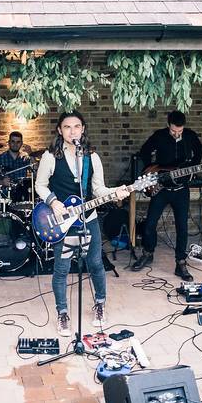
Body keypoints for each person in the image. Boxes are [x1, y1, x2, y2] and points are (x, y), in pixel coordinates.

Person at [35, 112, 130, 337]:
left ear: (83, 129)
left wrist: (116, 192)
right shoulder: (50, 156)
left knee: (96, 263)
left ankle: (99, 304)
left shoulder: (91, 157)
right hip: (63, 222)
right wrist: (53, 201)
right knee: (62, 269)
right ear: (60, 130)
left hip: (89, 219)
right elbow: (40, 185)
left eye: (76, 126)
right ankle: (63, 312)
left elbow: (98, 190)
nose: (72, 131)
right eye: (67, 127)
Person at [131, 110, 202, 281]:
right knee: (150, 223)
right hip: (162, 188)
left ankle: (180, 262)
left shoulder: (190, 136)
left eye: (179, 131)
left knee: (182, 228)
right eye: (173, 131)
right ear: (168, 125)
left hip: (181, 190)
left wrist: (191, 166)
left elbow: (200, 151)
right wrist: (154, 169)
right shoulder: (159, 136)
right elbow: (144, 152)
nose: (176, 134)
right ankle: (148, 253)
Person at [0, 131, 32, 200]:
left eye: (18, 142)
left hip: (22, 198)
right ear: (8, 142)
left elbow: (37, 171)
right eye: (13, 141)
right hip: (4, 197)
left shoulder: (25, 159)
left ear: (21, 144)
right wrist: (2, 182)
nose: (15, 144)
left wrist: (31, 154)